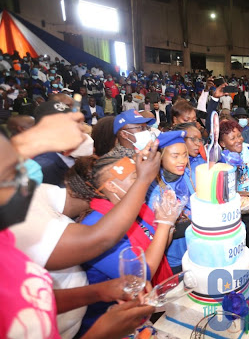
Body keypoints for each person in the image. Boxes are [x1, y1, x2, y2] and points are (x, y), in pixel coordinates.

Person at [0, 117, 155, 339]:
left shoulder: (15, 221)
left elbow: (31, 298)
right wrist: (100, 333)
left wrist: (98, 292)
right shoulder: (19, 224)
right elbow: (97, 239)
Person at [78, 152, 179, 334]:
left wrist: (168, 221)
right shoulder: (96, 226)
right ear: (112, 186)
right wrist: (164, 224)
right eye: (136, 177)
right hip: (109, 325)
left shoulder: (136, 209)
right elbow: (139, 276)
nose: (144, 183)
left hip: (148, 306)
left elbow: (159, 246)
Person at [146, 131, 195, 274]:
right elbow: (155, 231)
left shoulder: (187, 175)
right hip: (172, 259)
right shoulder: (154, 188)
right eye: (175, 156)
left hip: (192, 251)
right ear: (160, 158)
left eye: (184, 155)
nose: (182, 161)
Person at [219, 120, 249, 256]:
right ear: (223, 144)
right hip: (231, 215)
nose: (238, 140)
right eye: (232, 138)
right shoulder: (220, 160)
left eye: (239, 136)